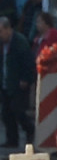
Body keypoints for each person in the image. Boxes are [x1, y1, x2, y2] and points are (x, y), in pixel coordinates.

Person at [0, 17, 35, 148]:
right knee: (6, 113)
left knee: (18, 111)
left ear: (8, 29)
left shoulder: (20, 42)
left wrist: (26, 79)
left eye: (1, 31)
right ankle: (12, 139)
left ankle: (30, 130)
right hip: (6, 82)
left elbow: (27, 62)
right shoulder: (2, 44)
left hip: (18, 83)